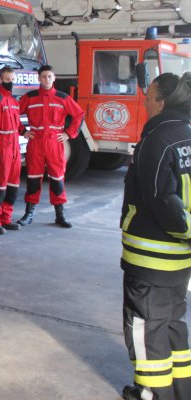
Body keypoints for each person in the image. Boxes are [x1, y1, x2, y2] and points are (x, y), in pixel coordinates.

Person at [120, 72, 191, 400]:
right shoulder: (187, 135)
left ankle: (152, 393)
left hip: (152, 260)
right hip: (179, 262)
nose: (145, 100)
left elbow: (160, 198)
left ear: (161, 102)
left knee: (146, 327)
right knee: (173, 322)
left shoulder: (157, 140)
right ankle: (180, 389)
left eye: (149, 96)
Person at [17, 64, 84, 228]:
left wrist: (68, 134)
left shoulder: (62, 98)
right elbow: (12, 114)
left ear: (54, 79)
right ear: (38, 79)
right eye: (43, 76)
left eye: (49, 76)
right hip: (36, 142)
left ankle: (60, 214)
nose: (46, 79)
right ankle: (29, 213)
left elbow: (79, 114)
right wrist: (22, 131)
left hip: (55, 143)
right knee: (33, 179)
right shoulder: (30, 97)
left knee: (57, 179)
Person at [0, 66, 25, 234]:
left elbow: (16, 124)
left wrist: (25, 132)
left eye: (12, 79)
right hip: (2, 149)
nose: (10, 82)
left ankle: (5, 218)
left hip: (14, 148)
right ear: (0, 80)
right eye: (7, 80)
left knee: (13, 185)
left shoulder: (13, 101)